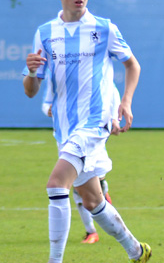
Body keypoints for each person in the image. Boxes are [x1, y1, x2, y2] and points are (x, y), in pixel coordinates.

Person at [23, 0, 151, 263]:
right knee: (93, 200)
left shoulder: (103, 28)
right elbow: (31, 89)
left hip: (94, 123)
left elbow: (132, 65)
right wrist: (33, 72)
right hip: (65, 128)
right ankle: (137, 251)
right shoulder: (45, 33)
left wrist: (125, 102)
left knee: (55, 184)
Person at [41, 77, 120, 244]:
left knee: (92, 186)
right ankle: (91, 231)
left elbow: (112, 91)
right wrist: (49, 109)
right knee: (77, 188)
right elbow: (46, 103)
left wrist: (114, 118)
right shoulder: (55, 74)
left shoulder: (92, 69)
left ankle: (102, 193)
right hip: (65, 137)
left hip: (89, 134)